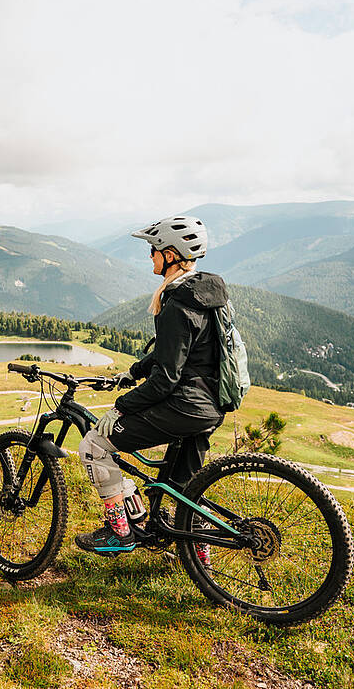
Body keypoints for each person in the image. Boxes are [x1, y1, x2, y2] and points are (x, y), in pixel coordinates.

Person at [75, 215, 227, 558]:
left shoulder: (177, 304)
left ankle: (121, 533)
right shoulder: (203, 293)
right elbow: (174, 351)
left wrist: (121, 407)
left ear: (171, 254)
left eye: (154, 249)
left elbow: (167, 379)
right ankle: (195, 556)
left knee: (95, 445)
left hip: (185, 404)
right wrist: (134, 371)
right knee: (184, 487)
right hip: (211, 405)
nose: (150, 256)